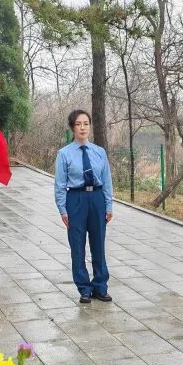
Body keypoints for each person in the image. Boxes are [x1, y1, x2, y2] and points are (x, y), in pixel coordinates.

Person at [54, 110, 113, 304]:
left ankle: (100, 287)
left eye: (86, 123)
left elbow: (106, 180)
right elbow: (60, 185)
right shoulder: (64, 154)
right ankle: (84, 288)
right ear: (72, 127)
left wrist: (108, 205)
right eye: (78, 124)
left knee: (99, 245)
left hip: (96, 198)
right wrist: (63, 209)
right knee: (77, 246)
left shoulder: (99, 152)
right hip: (76, 199)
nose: (82, 127)